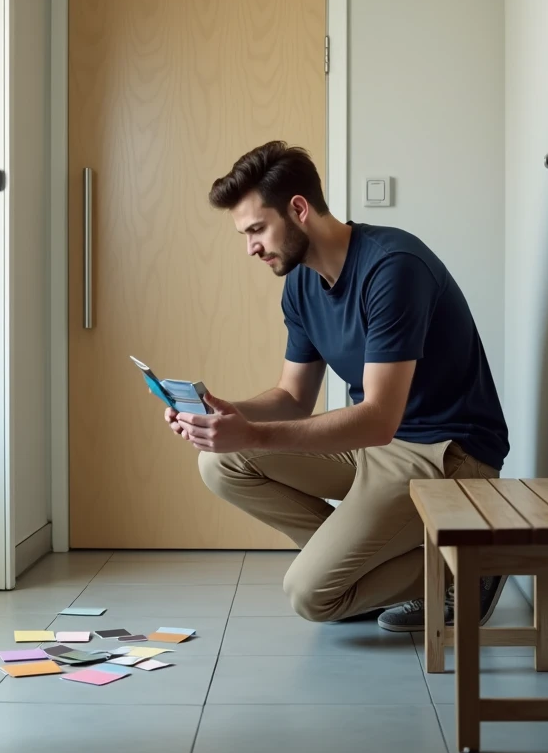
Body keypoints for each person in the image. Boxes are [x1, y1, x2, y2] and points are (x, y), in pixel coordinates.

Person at [165, 141, 510, 632]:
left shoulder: (393, 268)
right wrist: (223, 411)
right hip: (377, 448)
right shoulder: (300, 285)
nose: (251, 248)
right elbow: (292, 398)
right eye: (244, 235)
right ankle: (362, 570)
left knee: (310, 596)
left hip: (446, 454)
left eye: (257, 229)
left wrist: (255, 434)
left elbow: (379, 418)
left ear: (298, 209)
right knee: (220, 463)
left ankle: (473, 564)